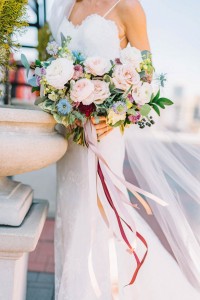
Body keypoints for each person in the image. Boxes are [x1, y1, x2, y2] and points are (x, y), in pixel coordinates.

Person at [49, 1, 200, 299]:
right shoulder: (70, 6)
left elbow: (146, 77)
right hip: (70, 135)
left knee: (101, 219)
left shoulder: (128, 6)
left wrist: (116, 113)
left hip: (104, 135)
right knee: (72, 218)